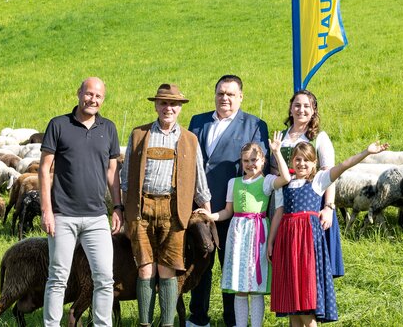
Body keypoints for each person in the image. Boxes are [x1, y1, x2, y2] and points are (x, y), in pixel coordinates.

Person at [267, 139, 389, 326]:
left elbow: (343, 165)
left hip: (307, 244)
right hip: (287, 242)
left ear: (314, 163)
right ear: (292, 161)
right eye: (298, 160)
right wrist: (270, 242)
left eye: (306, 160)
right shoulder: (285, 184)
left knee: (307, 300)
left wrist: (366, 152)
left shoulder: (318, 180)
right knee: (292, 304)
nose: (301, 164)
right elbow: (279, 213)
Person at [121, 83, 212, 327]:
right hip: (142, 209)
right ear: (156, 105)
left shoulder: (190, 140)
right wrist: (123, 211)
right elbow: (126, 177)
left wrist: (208, 211)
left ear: (180, 108)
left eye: (173, 104)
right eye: (163, 103)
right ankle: (145, 323)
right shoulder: (139, 134)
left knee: (168, 269)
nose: (168, 108)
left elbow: (199, 178)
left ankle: (167, 324)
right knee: (144, 269)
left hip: (174, 210)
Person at [187, 75, 270, 327]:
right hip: (199, 208)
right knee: (199, 264)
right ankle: (198, 318)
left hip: (233, 211)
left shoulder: (255, 124)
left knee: (231, 266)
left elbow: (259, 165)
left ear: (241, 97)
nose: (225, 98)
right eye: (221, 93)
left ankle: (233, 320)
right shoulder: (198, 121)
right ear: (215, 94)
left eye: (231, 94)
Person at [39, 77, 123, 327]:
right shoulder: (58, 125)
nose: (93, 100)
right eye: (89, 94)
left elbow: (112, 172)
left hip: (97, 217)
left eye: (98, 96)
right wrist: (47, 211)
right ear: (79, 94)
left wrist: (117, 207)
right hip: (63, 215)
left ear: (103, 99)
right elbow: (45, 169)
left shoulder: (108, 128)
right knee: (58, 278)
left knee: (105, 278)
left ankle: (102, 325)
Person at [197, 136, 291, 327]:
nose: (250, 164)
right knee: (240, 287)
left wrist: (277, 151)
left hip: (257, 234)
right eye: (246, 160)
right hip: (238, 234)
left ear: (263, 161)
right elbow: (227, 211)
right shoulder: (234, 182)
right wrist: (210, 216)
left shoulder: (267, 181)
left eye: (254, 160)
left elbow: (287, 178)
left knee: (255, 287)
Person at [278, 90, 345, 277]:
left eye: (307, 106)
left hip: (313, 206)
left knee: (314, 263)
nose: (301, 110)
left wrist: (329, 207)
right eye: (297, 105)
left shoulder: (319, 138)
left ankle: (316, 303)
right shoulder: (281, 138)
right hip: (286, 204)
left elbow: (329, 174)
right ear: (290, 109)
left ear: (314, 110)